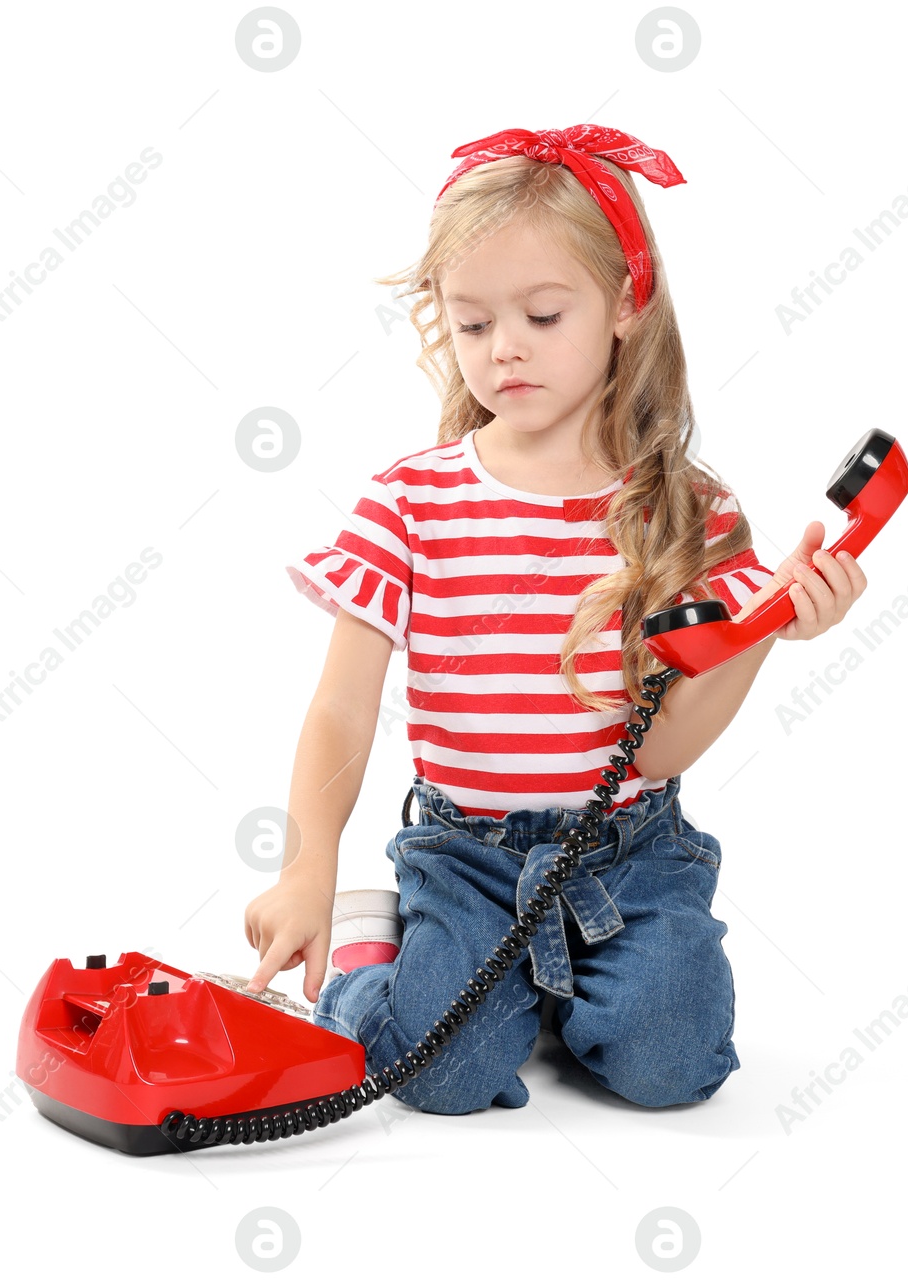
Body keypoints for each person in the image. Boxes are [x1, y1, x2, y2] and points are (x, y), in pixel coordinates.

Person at [241, 124, 867, 1115]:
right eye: (474, 324)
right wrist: (308, 863)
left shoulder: (685, 509)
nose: (505, 351)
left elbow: (656, 749)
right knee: (438, 1077)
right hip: (465, 855)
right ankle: (385, 958)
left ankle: (538, 987)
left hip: (629, 851)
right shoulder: (410, 500)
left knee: (671, 1066)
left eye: (540, 313)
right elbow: (341, 709)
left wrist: (764, 632)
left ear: (626, 299)